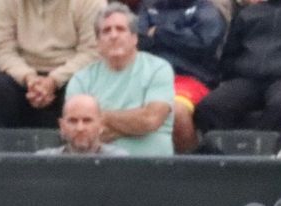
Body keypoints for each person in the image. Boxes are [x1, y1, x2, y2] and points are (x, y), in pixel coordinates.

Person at [194, 0, 281, 136]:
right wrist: (234, 72)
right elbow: (230, 53)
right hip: (247, 79)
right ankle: (222, 157)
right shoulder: (249, 13)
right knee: (211, 106)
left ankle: (268, 156)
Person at [66, 2, 173, 155]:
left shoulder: (159, 69)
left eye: (120, 29)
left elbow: (150, 119)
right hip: (99, 172)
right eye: (106, 31)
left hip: (154, 170)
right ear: (98, 42)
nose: (113, 35)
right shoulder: (81, 79)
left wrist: (101, 117)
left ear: (135, 38)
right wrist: (136, 125)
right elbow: (80, 134)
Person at [0, 0, 103, 130]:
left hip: (71, 73)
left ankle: (75, 149)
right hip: (21, 74)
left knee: (80, 92)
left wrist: (54, 80)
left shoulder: (91, 3)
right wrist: (28, 77)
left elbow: (93, 51)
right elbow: (0, 48)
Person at [135, 0, 227, 153]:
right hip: (149, 78)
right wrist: (180, 36)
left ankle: (192, 170)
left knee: (176, 113)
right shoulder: (148, 7)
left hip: (191, 78)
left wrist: (159, 33)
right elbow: (138, 40)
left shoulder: (206, 9)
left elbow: (203, 44)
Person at [37, 90, 125, 153]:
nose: (80, 128)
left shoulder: (120, 162)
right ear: (62, 126)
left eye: (87, 121)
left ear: (101, 125)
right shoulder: (43, 163)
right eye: (73, 121)